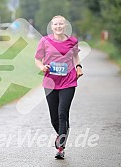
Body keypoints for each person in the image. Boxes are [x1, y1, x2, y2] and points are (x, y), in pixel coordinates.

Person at [35, 15, 83, 159]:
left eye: (61, 24)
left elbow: (75, 56)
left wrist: (78, 67)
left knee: (63, 113)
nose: (58, 27)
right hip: (50, 82)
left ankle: (61, 147)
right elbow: (37, 59)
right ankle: (62, 132)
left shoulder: (72, 41)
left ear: (65, 25)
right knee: (54, 118)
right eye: (55, 24)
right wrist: (42, 67)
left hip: (68, 81)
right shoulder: (45, 41)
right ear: (51, 26)